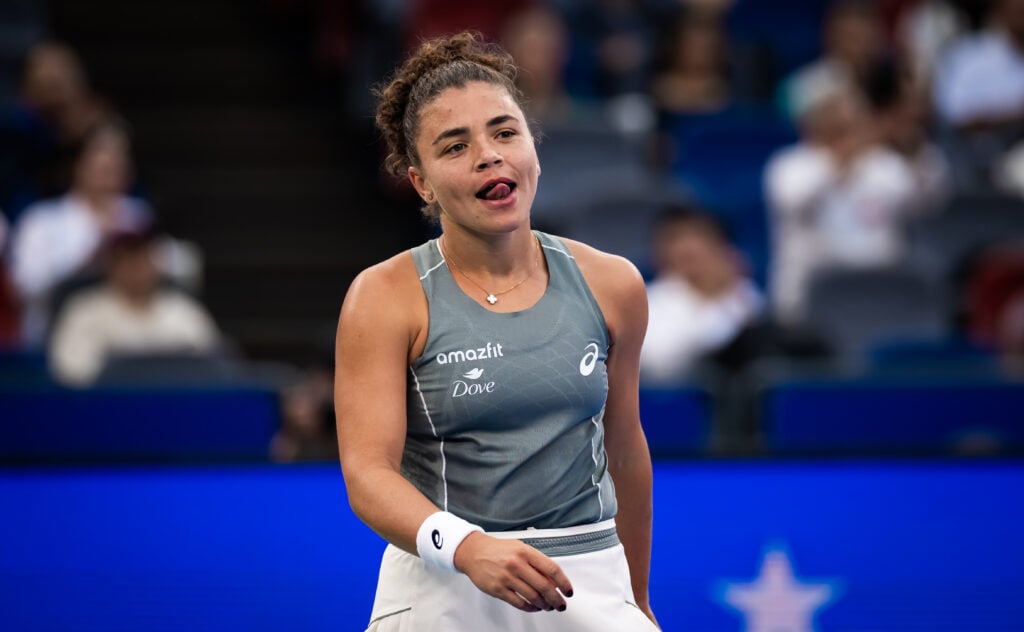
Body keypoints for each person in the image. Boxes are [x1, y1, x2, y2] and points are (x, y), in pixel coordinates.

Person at [333, 32, 659, 631]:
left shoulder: (615, 285)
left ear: (533, 144)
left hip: (588, 581)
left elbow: (625, 451)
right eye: (455, 146)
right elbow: (368, 475)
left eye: (505, 132)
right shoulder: (382, 297)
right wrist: (465, 547)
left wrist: (635, 599)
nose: (489, 155)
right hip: (443, 584)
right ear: (422, 183)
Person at [47, 223, 221, 386]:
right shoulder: (85, 311)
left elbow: (213, 366)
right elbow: (71, 374)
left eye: (143, 258)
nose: (137, 267)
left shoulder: (184, 311)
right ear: (111, 265)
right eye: (128, 259)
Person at [639, 207, 763, 384]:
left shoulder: (742, 292)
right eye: (676, 238)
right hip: (679, 404)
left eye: (700, 236)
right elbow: (659, 364)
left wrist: (723, 294)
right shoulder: (651, 299)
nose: (689, 247)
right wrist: (711, 302)